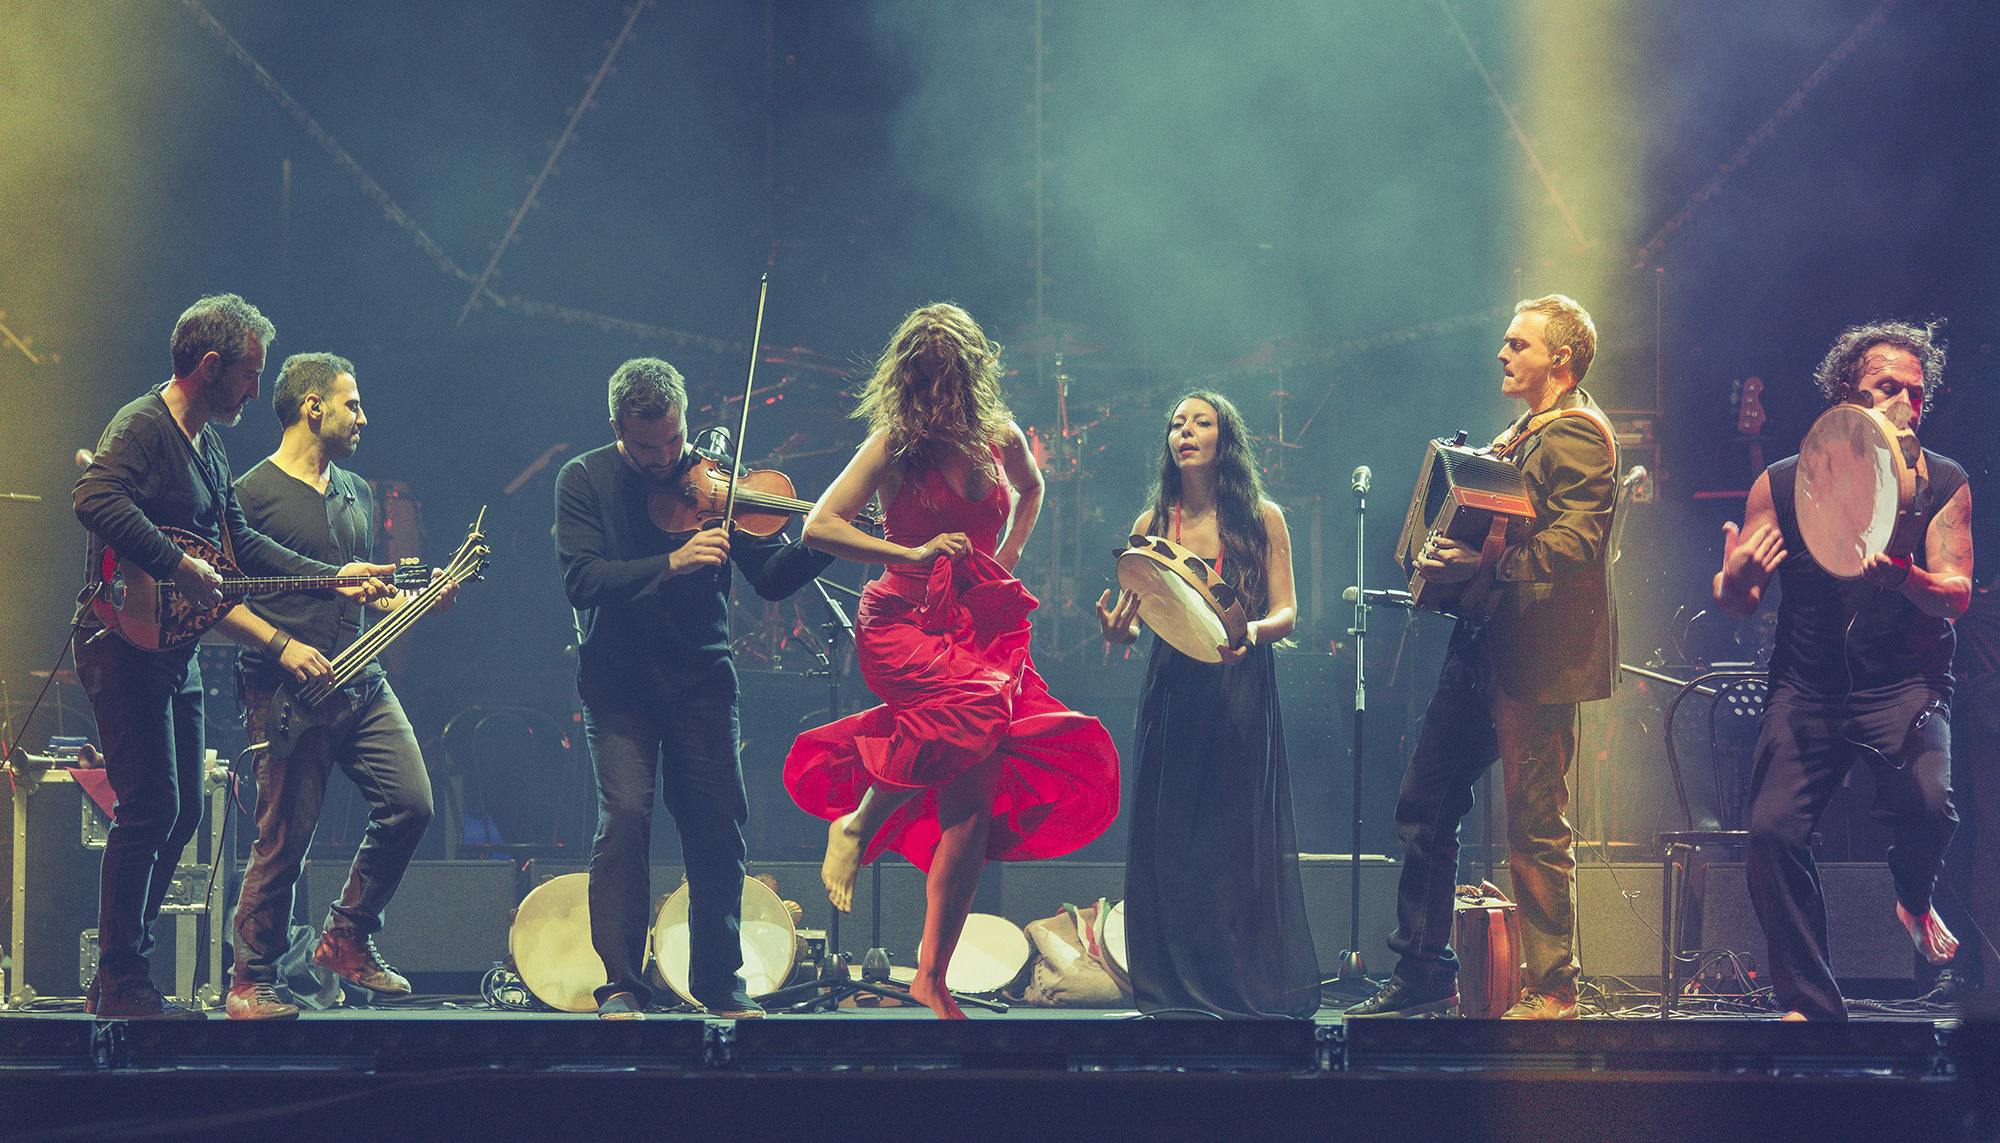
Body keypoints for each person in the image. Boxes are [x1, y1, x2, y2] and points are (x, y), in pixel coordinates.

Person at [784, 302, 1119, 1020]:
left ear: (972, 377)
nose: (938, 398)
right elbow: (820, 523)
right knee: (980, 707)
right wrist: (911, 552)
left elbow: (1033, 488)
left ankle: (930, 974)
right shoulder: (892, 447)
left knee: (971, 805)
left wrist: (1009, 556)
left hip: (977, 627)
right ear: (907, 382)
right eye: (925, 383)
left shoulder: (998, 438)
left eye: (950, 382)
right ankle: (860, 818)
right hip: (900, 622)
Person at [72, 295, 394, 1019]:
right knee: (149, 806)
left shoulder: (208, 446)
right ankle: (123, 978)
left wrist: (329, 575)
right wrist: (175, 564)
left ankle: (120, 973)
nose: (257, 389)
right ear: (210, 367)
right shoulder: (143, 425)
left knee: (180, 812)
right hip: (120, 645)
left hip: (170, 648)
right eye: (250, 373)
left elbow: (241, 543)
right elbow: (93, 495)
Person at [1347, 294, 1617, 1021]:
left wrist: (1482, 561)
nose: (1502, 354)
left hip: (1537, 654)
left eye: (1517, 344)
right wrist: (1453, 560)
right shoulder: (1521, 434)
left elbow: (1577, 541)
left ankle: (1554, 986)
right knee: (1424, 799)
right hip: (1483, 643)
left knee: (1534, 821)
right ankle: (1425, 969)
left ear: (1559, 359)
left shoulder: (1581, 437)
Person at [555, 357, 835, 1021]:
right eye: (646, 446)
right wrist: (672, 561)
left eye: (673, 442)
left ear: (684, 421)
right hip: (618, 684)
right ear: (619, 427)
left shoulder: (712, 487)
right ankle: (622, 984)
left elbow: (772, 576)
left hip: (702, 682)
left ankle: (720, 983)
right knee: (625, 820)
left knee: (716, 828)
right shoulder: (584, 479)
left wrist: (827, 535)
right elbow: (583, 581)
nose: (663, 459)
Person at [1713, 320, 1966, 1021]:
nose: (1904, 405)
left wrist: (1905, 575)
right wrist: (1733, 577)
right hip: (1808, 685)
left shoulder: (1943, 482)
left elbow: (1956, 596)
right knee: (1772, 834)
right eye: (1888, 388)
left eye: (1916, 395)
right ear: (1847, 394)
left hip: (1906, 683)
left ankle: (1913, 895)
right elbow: (1741, 599)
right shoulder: (1784, 482)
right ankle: (1811, 1002)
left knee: (1928, 806)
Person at [216, 352, 453, 1020]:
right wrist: (284, 648)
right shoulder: (249, 494)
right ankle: (248, 980)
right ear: (313, 406)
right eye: (352, 403)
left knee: (411, 801)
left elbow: (362, 595)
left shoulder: (356, 490)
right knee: (285, 837)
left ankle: (346, 937)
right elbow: (221, 601)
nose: (363, 416)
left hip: (361, 677)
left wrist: (415, 600)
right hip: (285, 688)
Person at [1094, 390, 1320, 1018]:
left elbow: (1288, 612)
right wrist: (1121, 632)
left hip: (1238, 681)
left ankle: (1236, 983)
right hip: (1172, 687)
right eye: (1176, 423)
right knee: (1172, 835)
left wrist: (1251, 631)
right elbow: (1146, 620)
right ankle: (1172, 987)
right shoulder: (1150, 526)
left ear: (1225, 439)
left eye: (1201, 422)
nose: (1185, 431)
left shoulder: (1261, 518)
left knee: (1231, 833)